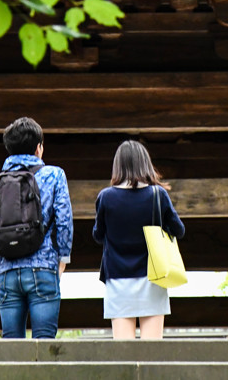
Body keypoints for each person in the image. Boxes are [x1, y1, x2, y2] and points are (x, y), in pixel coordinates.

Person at [0, 116, 73, 339]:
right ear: (39, 148)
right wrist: (62, 259)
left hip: (7, 272)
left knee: (12, 347)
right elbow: (64, 219)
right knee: (44, 343)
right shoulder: (54, 175)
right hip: (43, 268)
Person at [93, 139, 185, 339]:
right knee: (152, 354)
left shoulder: (106, 197)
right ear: (146, 164)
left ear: (118, 166)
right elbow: (179, 230)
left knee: (124, 353)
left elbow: (98, 235)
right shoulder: (157, 194)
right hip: (153, 276)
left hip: (117, 280)